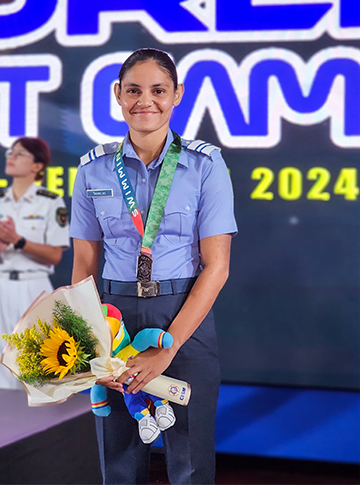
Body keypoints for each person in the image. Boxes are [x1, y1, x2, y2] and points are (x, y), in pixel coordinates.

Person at [70, 48, 237, 484]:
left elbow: (216, 267)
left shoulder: (205, 164)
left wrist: (168, 347)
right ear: (117, 96)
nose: (146, 100)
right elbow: (85, 262)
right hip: (113, 316)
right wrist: (91, 336)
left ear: (177, 94)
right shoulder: (93, 169)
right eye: (133, 90)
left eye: (158, 90)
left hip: (184, 314)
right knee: (119, 454)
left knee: (190, 459)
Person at [0, 137, 70, 390]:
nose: (10, 158)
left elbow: (55, 256)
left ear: (37, 166)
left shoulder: (50, 202)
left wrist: (17, 240)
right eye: (10, 153)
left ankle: (37, 424)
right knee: (1, 356)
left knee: (36, 364)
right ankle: (5, 423)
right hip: (2, 284)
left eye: (19, 154)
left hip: (34, 285)